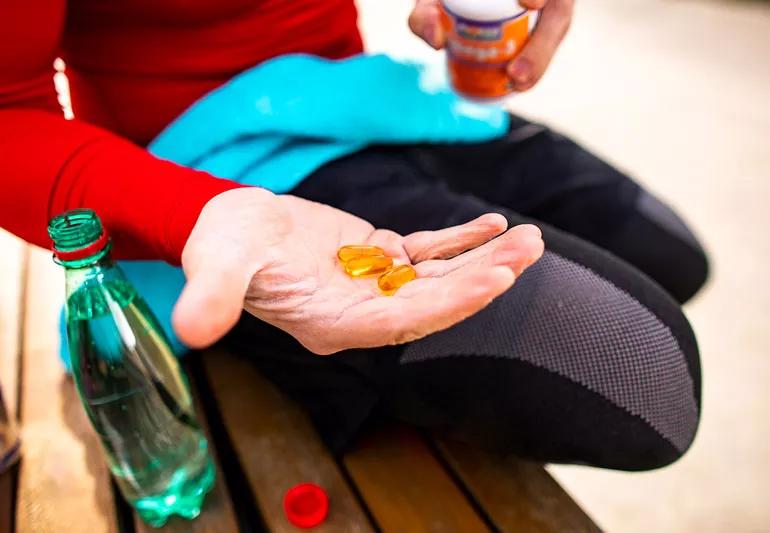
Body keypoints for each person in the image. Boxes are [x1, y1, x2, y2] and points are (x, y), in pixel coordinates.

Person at [0, 0, 708, 471]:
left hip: (358, 96)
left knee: (671, 253)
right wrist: (190, 213)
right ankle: (274, 353)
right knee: (652, 380)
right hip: (214, 160)